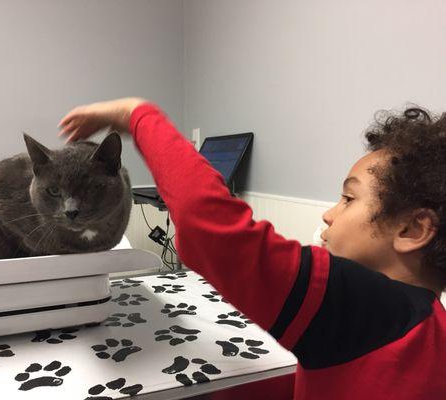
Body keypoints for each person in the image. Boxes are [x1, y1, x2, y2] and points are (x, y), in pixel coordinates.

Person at [58, 98, 445, 399]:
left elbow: (204, 222)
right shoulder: (426, 321)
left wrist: (137, 115)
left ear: (413, 229)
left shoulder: (368, 307)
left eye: (347, 198)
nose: (329, 214)